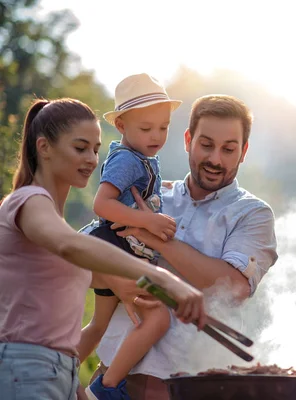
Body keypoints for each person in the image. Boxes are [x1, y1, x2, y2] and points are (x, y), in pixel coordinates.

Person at [0, 98, 207, 400]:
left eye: (96, 149)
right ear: (44, 148)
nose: (93, 159)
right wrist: (162, 278)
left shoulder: (53, 218)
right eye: (80, 148)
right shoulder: (29, 201)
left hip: (56, 370)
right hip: (26, 367)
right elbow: (69, 245)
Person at [88, 94, 278, 399]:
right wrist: (116, 280)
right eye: (206, 145)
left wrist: (154, 236)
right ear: (188, 140)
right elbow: (84, 258)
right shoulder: (149, 196)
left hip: (195, 388)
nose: (216, 159)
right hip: (115, 383)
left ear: (243, 152)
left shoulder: (253, 214)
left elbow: (234, 285)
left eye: (228, 149)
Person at [79, 73, 183, 400]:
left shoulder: (142, 157)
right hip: (114, 246)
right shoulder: (127, 159)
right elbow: (102, 203)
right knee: (158, 318)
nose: (156, 136)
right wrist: (146, 222)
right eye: (146, 128)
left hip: (114, 247)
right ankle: (108, 387)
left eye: (163, 127)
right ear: (122, 125)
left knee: (98, 325)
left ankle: (54, 372)